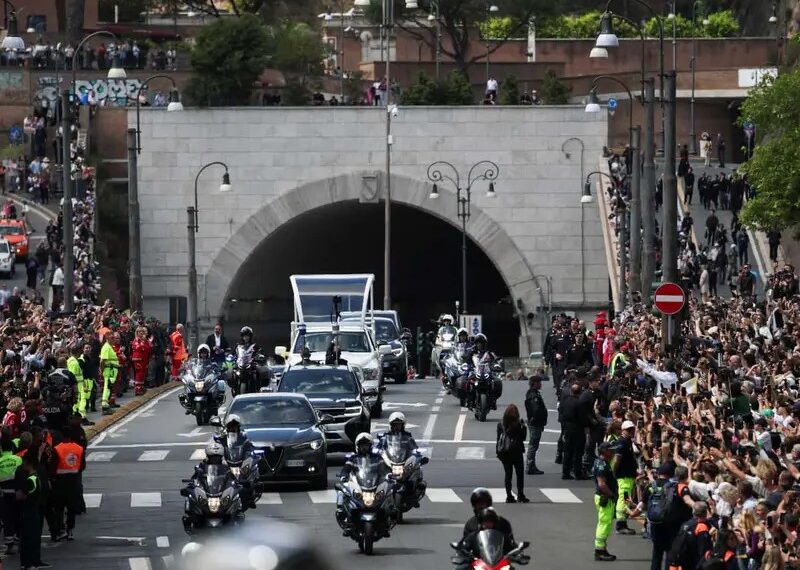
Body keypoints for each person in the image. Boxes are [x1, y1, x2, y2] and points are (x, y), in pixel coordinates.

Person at [335, 432, 385, 536]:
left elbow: (384, 470)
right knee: (344, 492)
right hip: (359, 485)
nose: (364, 448)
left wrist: (388, 475)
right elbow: (346, 468)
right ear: (357, 447)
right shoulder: (353, 458)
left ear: (370, 446)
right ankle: (349, 523)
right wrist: (343, 475)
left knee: (387, 493)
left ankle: (384, 524)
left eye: (366, 445)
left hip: (373, 484)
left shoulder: (377, 458)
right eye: (362, 446)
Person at [182, 442, 237, 533]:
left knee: (236, 499)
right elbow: (194, 479)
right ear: (208, 456)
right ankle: (193, 522)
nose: (215, 459)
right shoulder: (201, 467)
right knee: (192, 499)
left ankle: (235, 519)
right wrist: (192, 484)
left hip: (220, 492)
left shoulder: (226, 468)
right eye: (213, 457)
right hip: (207, 492)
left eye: (217, 457)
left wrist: (236, 485)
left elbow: (232, 479)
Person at [376, 412, 424, 507]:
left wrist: (417, 455)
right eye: (395, 425)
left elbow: (414, 448)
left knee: (415, 472)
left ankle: (414, 496)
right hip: (391, 461)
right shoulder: (385, 437)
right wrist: (376, 453)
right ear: (391, 425)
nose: (397, 427)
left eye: (399, 424)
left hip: (403, 461)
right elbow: (378, 448)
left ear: (403, 425)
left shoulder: (408, 437)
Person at [214, 414, 256, 508]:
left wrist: (250, 456)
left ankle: (249, 498)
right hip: (227, 464)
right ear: (227, 427)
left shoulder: (244, 438)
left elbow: (249, 448)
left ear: (239, 427)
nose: (233, 428)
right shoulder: (222, 439)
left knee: (248, 478)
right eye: (231, 426)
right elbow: (216, 448)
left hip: (240, 463)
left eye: (235, 426)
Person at [52, 427, 84, 541]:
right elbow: (82, 466)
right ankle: (70, 529)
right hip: (73, 481)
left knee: (59, 508)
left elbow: (53, 466)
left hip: (59, 482)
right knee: (71, 508)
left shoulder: (56, 449)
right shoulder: (78, 448)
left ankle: (60, 529)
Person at [496, 404, 528, 503]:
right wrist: (524, 427)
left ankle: (509, 495)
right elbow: (523, 437)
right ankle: (520, 494)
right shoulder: (518, 424)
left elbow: (498, 439)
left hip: (504, 452)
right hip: (516, 451)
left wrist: (498, 451)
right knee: (519, 474)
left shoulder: (500, 424)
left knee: (508, 474)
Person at [667, 502, 714, 570]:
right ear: (706, 512)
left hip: (681, 563)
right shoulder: (702, 527)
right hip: (692, 563)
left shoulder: (685, 524)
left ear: (693, 512)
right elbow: (704, 551)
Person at [593, 442, 618, 561]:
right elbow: (602, 484)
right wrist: (611, 494)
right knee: (604, 523)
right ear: (604, 451)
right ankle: (599, 550)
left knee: (606, 523)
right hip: (605, 497)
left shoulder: (603, 462)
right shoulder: (602, 465)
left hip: (605, 497)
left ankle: (602, 548)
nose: (612, 452)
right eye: (610, 450)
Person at [613, 420, 638, 535]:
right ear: (623, 430)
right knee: (623, 498)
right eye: (628, 430)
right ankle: (621, 524)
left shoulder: (627, 441)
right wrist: (614, 472)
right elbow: (617, 460)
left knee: (626, 498)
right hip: (623, 476)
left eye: (632, 429)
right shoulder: (622, 443)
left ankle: (623, 520)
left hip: (628, 476)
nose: (631, 431)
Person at [560, 382, 588, 480]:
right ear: (580, 392)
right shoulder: (579, 403)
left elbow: (561, 412)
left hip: (567, 428)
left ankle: (565, 472)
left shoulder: (565, 401)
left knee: (567, 451)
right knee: (578, 452)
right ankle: (578, 472)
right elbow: (582, 418)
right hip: (578, 429)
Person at [524, 374, 547, 475]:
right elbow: (536, 410)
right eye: (539, 383)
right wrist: (538, 418)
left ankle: (531, 465)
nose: (541, 384)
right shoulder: (533, 395)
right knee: (533, 445)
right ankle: (530, 466)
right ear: (535, 383)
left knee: (534, 444)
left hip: (535, 422)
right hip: (535, 423)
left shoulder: (533, 393)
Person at [67, 344, 92, 427]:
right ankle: (82, 418)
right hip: (78, 386)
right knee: (81, 402)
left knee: (78, 403)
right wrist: (75, 388)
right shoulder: (74, 363)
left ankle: (78, 418)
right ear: (77, 352)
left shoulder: (73, 360)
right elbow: (72, 375)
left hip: (78, 385)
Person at [100, 329, 120, 415]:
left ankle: (106, 405)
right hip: (109, 370)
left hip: (111, 371)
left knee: (109, 388)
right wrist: (101, 370)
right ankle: (105, 406)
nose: (114, 339)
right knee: (107, 388)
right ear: (107, 338)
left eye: (114, 338)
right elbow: (102, 361)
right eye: (112, 338)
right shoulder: (106, 347)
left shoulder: (109, 347)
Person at [130, 325, 152, 395]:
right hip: (138, 359)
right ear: (137, 332)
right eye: (140, 332)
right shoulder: (136, 340)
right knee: (139, 374)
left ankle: (141, 387)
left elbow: (149, 348)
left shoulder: (145, 340)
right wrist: (143, 344)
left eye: (143, 332)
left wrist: (145, 343)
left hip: (144, 359)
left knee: (143, 374)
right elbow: (139, 348)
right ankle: (138, 389)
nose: (142, 333)